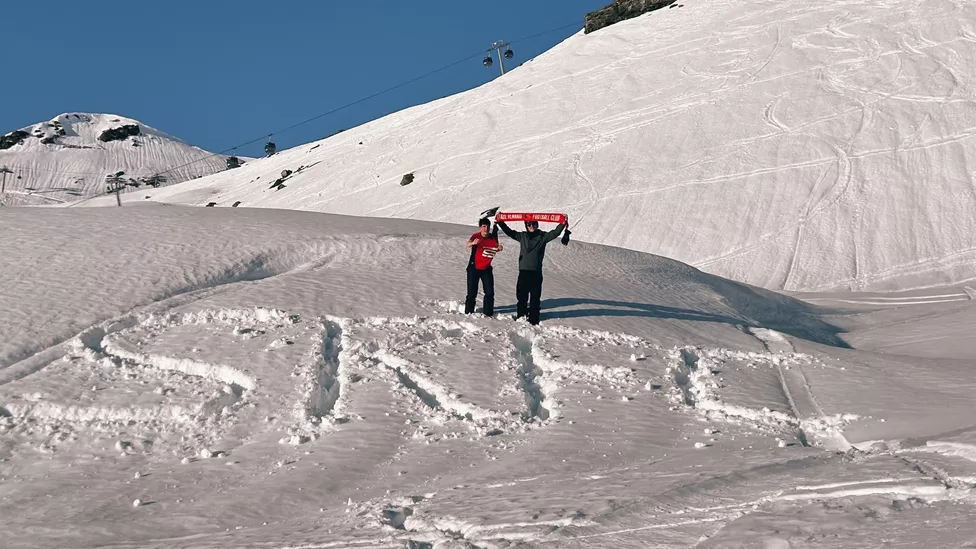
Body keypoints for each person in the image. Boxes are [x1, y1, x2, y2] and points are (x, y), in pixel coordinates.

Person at [495, 216, 566, 325]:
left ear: (537, 224)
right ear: (526, 225)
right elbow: (509, 232)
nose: (531, 226)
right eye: (529, 224)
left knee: (535, 297)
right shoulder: (522, 236)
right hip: (523, 271)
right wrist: (500, 222)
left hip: (536, 272)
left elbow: (555, 233)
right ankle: (521, 316)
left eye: (533, 224)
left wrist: (562, 223)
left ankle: (534, 319)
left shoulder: (543, 236)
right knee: (521, 297)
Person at [464, 217, 503, 316]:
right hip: (474, 268)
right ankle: (468, 314)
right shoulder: (476, 236)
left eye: (487, 227)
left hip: (486, 269)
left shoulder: (492, 237)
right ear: (480, 227)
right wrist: (473, 243)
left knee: (489, 293)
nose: (486, 229)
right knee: (472, 293)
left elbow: (494, 247)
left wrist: (499, 248)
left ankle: (488, 314)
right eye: (484, 226)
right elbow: (467, 244)